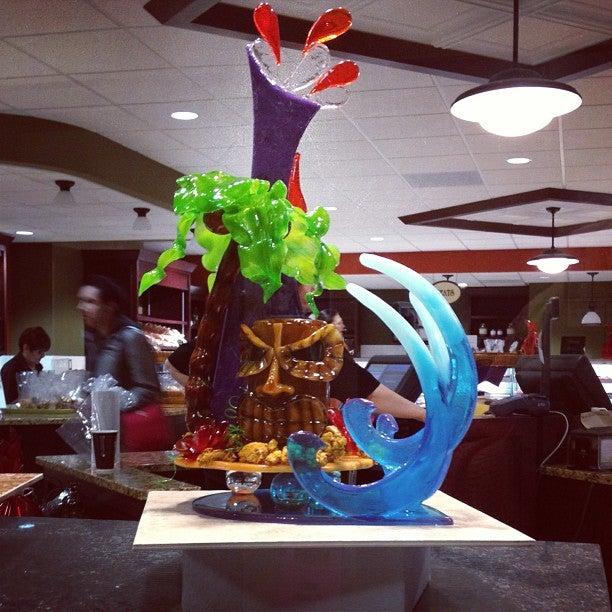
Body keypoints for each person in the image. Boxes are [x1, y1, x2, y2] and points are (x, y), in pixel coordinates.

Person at [77, 275, 170, 452]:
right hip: (106, 430)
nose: (81, 307)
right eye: (80, 301)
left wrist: (111, 402)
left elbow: (149, 390)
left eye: (90, 301)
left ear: (110, 307)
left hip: (130, 433)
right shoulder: (93, 339)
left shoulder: (130, 336)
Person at [316, 307, 425, 423]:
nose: (343, 327)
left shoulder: (320, 352)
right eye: (339, 323)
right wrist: (422, 414)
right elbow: (369, 392)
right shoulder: (331, 355)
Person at [1, 327, 51, 405]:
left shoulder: (38, 367)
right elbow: (11, 403)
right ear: (26, 348)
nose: (43, 355)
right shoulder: (10, 369)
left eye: (44, 352)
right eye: (40, 352)